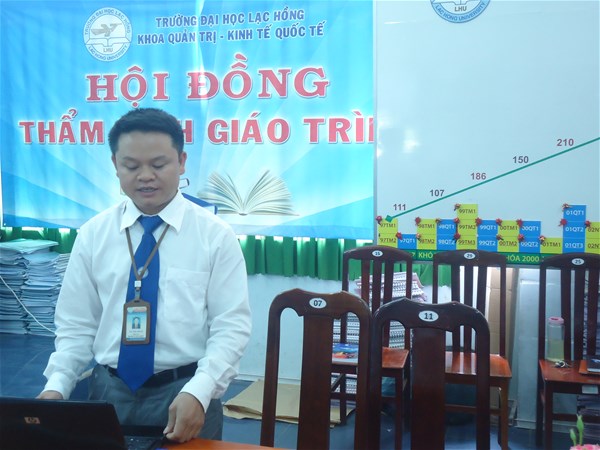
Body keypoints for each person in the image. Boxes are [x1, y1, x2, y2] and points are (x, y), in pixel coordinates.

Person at [38, 107, 252, 443]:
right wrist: (57, 386)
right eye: (132, 166)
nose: (145, 176)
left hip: (186, 393)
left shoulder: (214, 236)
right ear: (115, 165)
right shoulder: (94, 234)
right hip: (107, 393)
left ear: (181, 162)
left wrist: (201, 390)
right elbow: (76, 323)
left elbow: (231, 326)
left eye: (159, 164)